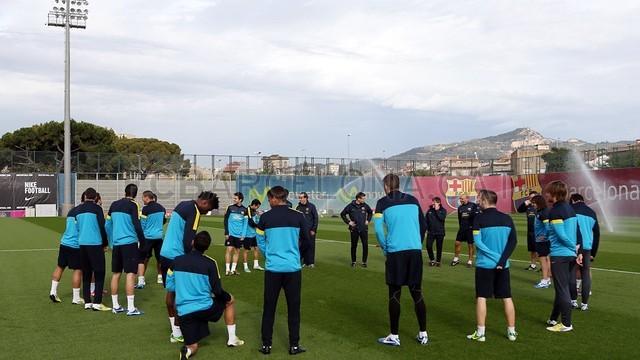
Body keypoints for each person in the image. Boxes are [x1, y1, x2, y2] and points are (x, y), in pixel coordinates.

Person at [166, 231, 244, 360]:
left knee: (193, 345)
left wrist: (183, 287)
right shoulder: (210, 263)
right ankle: (232, 338)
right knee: (229, 300)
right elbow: (217, 291)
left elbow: (169, 286)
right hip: (204, 307)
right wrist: (228, 297)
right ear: (207, 247)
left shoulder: (177, 260)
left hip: (184, 311)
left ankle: (188, 351)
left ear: (192, 243)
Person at [373, 174, 429, 347]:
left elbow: (378, 230)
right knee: (416, 292)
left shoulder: (382, 202)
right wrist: (417, 243)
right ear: (399, 184)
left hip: (396, 252)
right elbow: (424, 224)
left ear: (385, 186)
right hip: (414, 251)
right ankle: (423, 334)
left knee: (395, 293)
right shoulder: (413, 199)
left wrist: (385, 248)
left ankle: (394, 335)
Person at [256, 185, 311, 355]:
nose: (269, 201)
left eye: (269, 199)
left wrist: (269, 255)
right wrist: (295, 256)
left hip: (273, 269)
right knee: (293, 308)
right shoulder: (298, 216)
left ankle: (266, 346)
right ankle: (294, 345)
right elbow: (307, 241)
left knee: (269, 307)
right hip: (292, 269)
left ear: (274, 197)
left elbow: (259, 240)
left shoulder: (265, 217)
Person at [160, 191, 219, 343]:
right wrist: (192, 259)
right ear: (205, 203)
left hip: (165, 252)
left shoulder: (182, 204)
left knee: (171, 292)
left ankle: (175, 331)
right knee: (182, 296)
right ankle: (182, 330)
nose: (206, 213)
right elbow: (188, 240)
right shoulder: (194, 211)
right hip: (177, 256)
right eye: (208, 209)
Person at [466, 190, 518, 342]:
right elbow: (512, 242)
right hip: (503, 265)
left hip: (485, 265)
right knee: (507, 297)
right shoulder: (507, 218)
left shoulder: (479, 219)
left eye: (479, 199)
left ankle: (481, 333)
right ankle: (512, 332)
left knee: (482, 297)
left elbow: (478, 242)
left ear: (484, 201)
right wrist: (502, 260)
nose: (478, 201)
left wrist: (496, 258)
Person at [544, 181, 582, 332]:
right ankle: (553, 318)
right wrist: (576, 251)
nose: (545, 194)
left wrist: (572, 247)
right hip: (570, 256)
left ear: (554, 194)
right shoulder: (570, 209)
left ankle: (566, 324)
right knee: (562, 288)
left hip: (560, 255)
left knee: (562, 290)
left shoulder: (555, 211)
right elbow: (577, 232)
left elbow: (561, 235)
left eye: (547, 192)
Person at [105, 183, 145, 316]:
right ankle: (131, 308)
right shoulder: (134, 205)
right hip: (129, 243)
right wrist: (143, 241)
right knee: (130, 274)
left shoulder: (114, 204)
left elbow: (107, 225)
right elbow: (137, 225)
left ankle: (115, 306)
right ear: (136, 194)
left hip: (117, 244)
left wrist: (111, 241)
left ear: (125, 192)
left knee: (116, 274)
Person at [76, 187, 111, 311]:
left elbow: (77, 227)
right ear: (95, 197)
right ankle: (97, 302)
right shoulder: (97, 209)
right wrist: (105, 243)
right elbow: (102, 226)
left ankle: (87, 302)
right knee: (99, 272)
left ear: (85, 196)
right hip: (95, 243)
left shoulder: (78, 209)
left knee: (86, 273)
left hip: (82, 244)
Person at [49, 192, 85, 304]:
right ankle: (76, 297)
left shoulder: (71, 211)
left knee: (60, 266)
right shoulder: (83, 212)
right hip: (75, 244)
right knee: (78, 270)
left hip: (64, 242)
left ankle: (53, 291)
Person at [569, 193, 600, 311]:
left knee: (571, 273)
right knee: (586, 274)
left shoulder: (570, 209)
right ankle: (585, 304)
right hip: (587, 248)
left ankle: (573, 301)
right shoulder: (592, 212)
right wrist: (594, 252)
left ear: (572, 200)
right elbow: (597, 234)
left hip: (573, 246)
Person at [137, 191, 166, 288]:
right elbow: (164, 220)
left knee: (144, 258)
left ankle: (141, 279)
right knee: (159, 258)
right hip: (159, 236)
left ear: (147, 197)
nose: (142, 200)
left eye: (143, 198)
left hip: (148, 237)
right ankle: (160, 277)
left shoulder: (146, 209)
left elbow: (143, 224)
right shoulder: (162, 208)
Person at [340, 192, 373, 267]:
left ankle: (364, 262)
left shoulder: (365, 206)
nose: (364, 200)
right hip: (354, 229)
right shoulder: (350, 206)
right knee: (354, 246)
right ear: (358, 198)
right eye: (363, 198)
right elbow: (342, 214)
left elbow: (370, 213)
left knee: (365, 245)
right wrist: (349, 222)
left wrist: (368, 220)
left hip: (363, 229)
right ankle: (353, 261)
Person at [224, 192, 248, 276]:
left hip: (239, 235)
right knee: (229, 250)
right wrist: (226, 232)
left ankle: (233, 269)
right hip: (230, 234)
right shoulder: (230, 208)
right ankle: (227, 269)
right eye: (233, 198)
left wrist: (243, 235)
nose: (233, 199)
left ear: (240, 200)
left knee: (237, 251)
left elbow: (245, 224)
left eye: (235, 198)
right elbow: (225, 220)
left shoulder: (245, 210)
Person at [531, 195, 552, 289]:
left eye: (534, 203)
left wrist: (545, 237)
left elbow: (548, 227)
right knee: (546, 259)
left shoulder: (543, 213)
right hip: (542, 240)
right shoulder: (541, 212)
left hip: (543, 241)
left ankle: (544, 280)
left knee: (542, 259)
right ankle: (547, 278)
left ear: (539, 202)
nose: (533, 205)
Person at [452, 193, 478, 267]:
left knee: (470, 245)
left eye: (462, 199)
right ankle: (456, 259)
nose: (460, 200)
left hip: (470, 229)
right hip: (462, 228)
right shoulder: (460, 208)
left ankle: (470, 261)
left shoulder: (473, 205)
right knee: (457, 243)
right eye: (460, 199)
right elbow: (459, 219)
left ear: (467, 198)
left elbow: (476, 216)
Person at [517, 191, 539, 271]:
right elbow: (519, 210)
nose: (531, 199)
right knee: (532, 249)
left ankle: (544, 267)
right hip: (530, 231)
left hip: (538, 231)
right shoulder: (528, 206)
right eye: (530, 197)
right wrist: (524, 204)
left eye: (533, 197)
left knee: (541, 250)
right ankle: (533, 265)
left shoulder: (540, 206)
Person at [242, 199, 265, 273]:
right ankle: (245, 267)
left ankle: (256, 265)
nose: (257, 208)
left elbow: (256, 220)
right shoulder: (248, 210)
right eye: (257, 206)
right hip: (248, 235)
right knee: (247, 250)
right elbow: (251, 223)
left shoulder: (254, 211)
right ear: (254, 205)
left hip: (254, 234)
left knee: (256, 248)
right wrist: (259, 226)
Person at [297, 192, 318, 268]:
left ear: (306, 198)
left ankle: (311, 262)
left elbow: (316, 218)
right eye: (299, 198)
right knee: (303, 246)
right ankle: (305, 262)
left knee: (311, 245)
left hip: (310, 230)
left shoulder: (312, 206)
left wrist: (314, 229)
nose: (300, 199)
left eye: (301, 197)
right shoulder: (298, 207)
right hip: (301, 231)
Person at [425, 197, 447, 267]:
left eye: (434, 202)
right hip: (431, 232)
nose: (432, 203)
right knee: (428, 245)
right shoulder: (429, 211)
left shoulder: (443, 210)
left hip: (440, 232)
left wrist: (437, 210)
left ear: (439, 203)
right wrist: (425, 230)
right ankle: (432, 260)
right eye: (432, 202)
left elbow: (442, 218)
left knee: (439, 247)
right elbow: (426, 221)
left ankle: (438, 261)